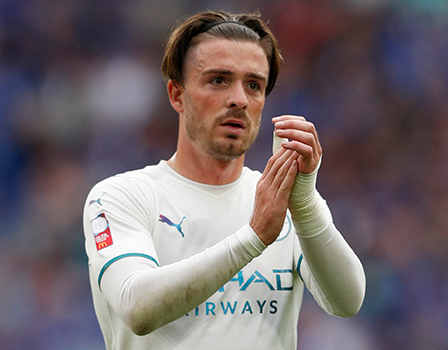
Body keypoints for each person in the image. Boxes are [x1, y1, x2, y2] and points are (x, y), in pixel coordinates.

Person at [82, 10, 365, 349]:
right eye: (218, 80)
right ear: (177, 95)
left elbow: (347, 302)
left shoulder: (286, 203)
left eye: (254, 85)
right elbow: (136, 307)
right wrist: (254, 238)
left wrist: (303, 203)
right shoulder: (122, 197)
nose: (239, 99)